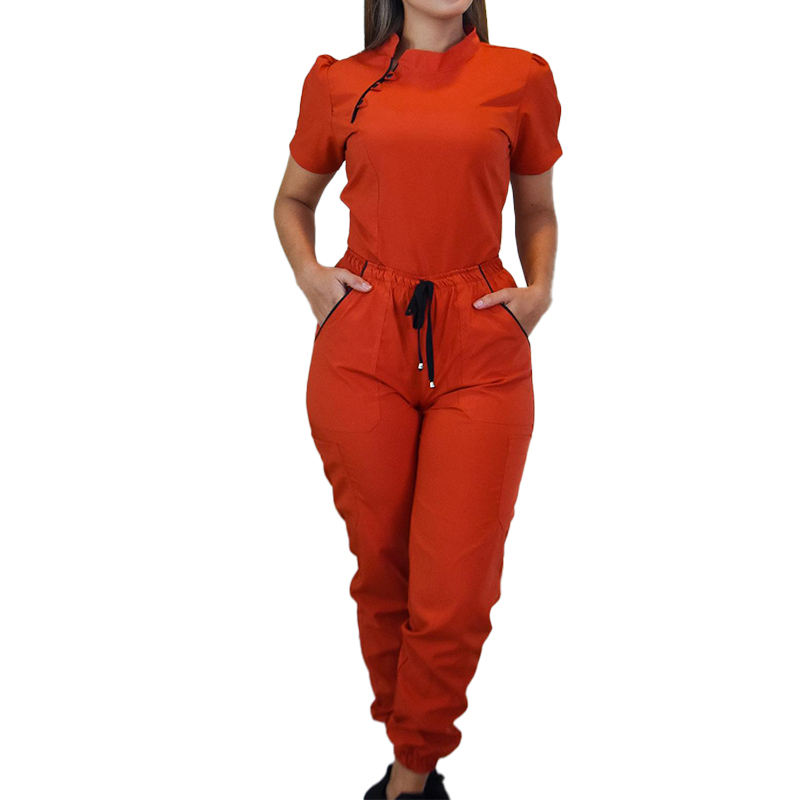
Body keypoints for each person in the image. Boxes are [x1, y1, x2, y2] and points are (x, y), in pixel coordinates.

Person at [273, 1, 561, 797]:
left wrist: (539, 291)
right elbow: (292, 199)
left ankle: (409, 772)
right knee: (384, 567)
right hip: (364, 341)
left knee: (456, 588)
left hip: (481, 340)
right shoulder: (340, 83)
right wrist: (311, 279)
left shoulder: (520, 78)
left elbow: (536, 206)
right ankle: (412, 754)